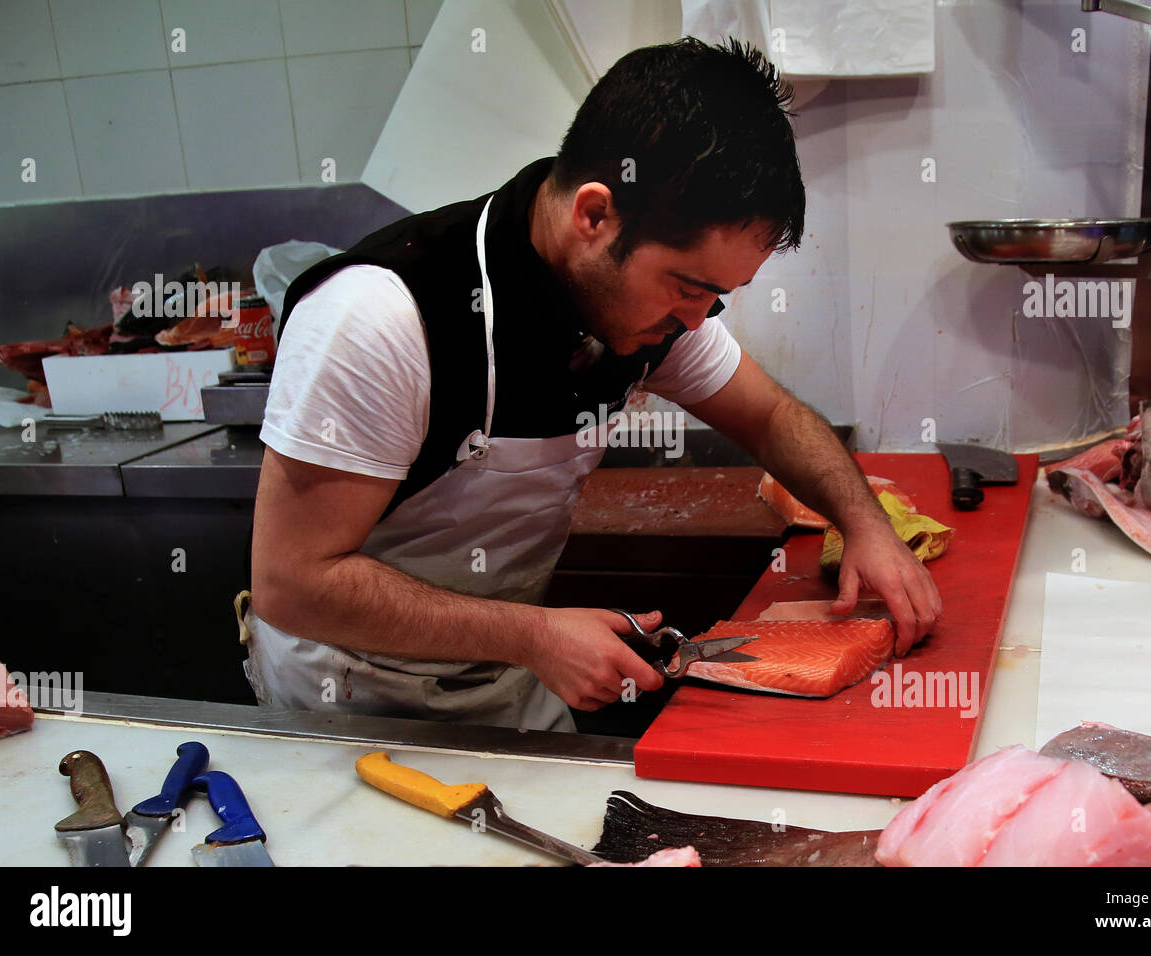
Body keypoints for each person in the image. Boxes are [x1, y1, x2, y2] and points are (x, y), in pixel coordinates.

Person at [243, 38, 941, 732]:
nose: (698, 320)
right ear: (594, 215)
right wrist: (535, 636)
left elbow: (770, 417)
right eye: (688, 288)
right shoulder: (382, 318)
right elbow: (294, 583)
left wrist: (865, 526)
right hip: (346, 708)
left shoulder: (644, 311)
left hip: (508, 680)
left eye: (718, 296)